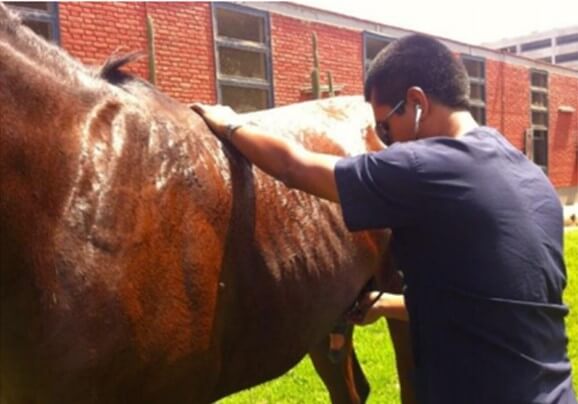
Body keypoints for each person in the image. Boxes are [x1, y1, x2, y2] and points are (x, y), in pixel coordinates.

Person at [192, 34, 576, 404]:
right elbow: (488, 305)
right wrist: (385, 305)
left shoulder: (426, 166)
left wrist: (231, 124)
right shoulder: (531, 178)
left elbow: (295, 167)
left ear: (416, 102)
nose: (387, 142)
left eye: (386, 127)